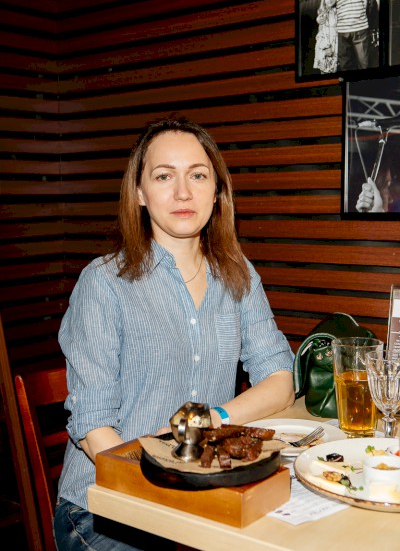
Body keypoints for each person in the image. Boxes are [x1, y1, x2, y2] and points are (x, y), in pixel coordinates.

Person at [53, 117, 295, 550]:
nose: (183, 192)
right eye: (164, 176)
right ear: (140, 193)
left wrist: (213, 421)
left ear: (217, 191)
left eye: (197, 176)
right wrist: (166, 496)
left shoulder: (238, 274)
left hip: (202, 494)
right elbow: (94, 428)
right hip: (106, 508)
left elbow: (280, 380)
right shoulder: (104, 283)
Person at [335, 0, 376, 71]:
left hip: (360, 30)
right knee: (345, 67)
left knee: (363, 65)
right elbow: (327, 8)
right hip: (342, 32)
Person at [313, 0, 338, 74]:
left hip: (336, 44)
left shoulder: (338, 11)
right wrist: (326, 47)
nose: (330, 0)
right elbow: (321, 33)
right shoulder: (322, 14)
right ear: (324, 0)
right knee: (324, 69)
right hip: (325, 44)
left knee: (334, 68)